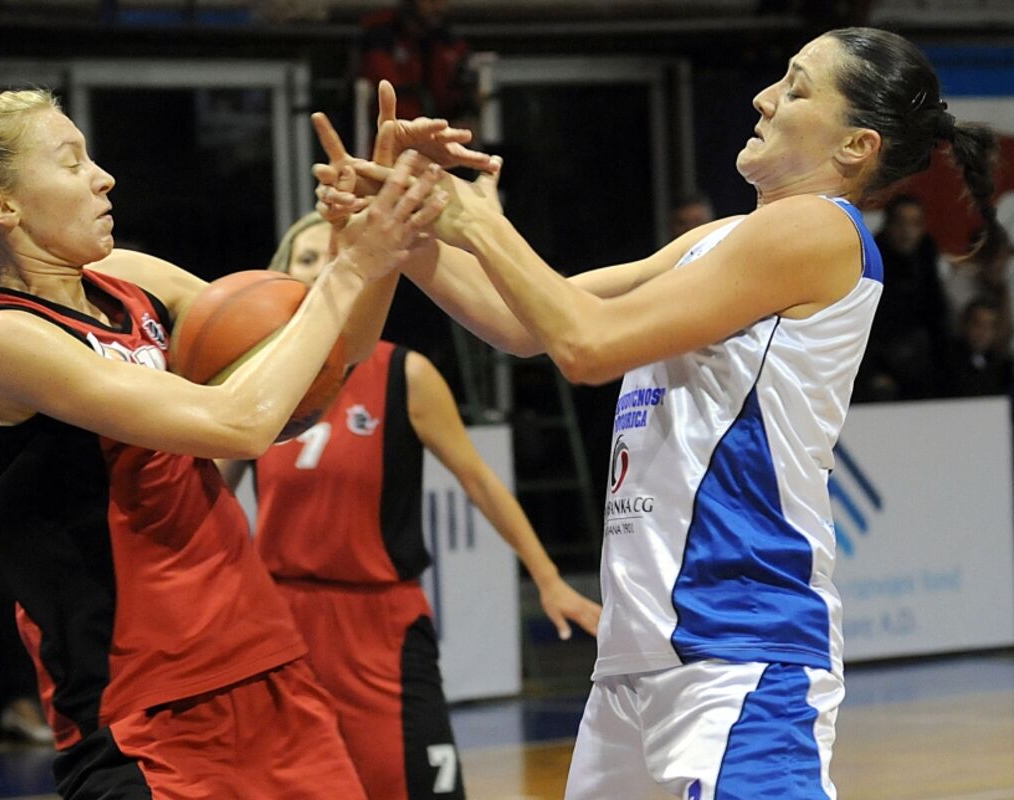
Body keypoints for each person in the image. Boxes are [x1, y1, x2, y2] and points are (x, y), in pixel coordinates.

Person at [324, 26, 1002, 799]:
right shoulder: (720, 238)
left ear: (856, 145)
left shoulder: (818, 228)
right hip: (640, 650)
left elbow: (587, 347)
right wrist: (398, 222)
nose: (763, 97)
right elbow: (525, 321)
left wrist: (478, 220)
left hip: (740, 646)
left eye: (795, 87)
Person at [0, 88, 448, 799]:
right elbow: (240, 423)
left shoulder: (132, 280)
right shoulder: (1, 340)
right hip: (141, 710)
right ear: (3, 205)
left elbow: (325, 365)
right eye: (71, 161)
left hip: (262, 659)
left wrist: (377, 242)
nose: (103, 177)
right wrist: (349, 270)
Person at [226, 212, 601, 800]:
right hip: (283, 620)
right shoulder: (257, 380)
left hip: (379, 621)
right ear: (280, 275)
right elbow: (209, 492)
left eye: (334, 253)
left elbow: (480, 482)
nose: (321, 268)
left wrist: (549, 579)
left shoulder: (405, 374)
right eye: (306, 258)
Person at [858, 194, 952, 400]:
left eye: (914, 223)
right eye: (900, 223)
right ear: (888, 225)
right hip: (878, 371)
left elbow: (937, 321)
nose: (907, 231)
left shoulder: (928, 263)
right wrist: (871, 372)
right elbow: (864, 325)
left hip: (923, 369)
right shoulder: (870, 267)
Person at [360, 0, 476, 127]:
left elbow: (457, 92)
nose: (437, 7)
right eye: (430, 1)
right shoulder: (382, 36)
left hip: (439, 125)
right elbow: (388, 91)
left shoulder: (448, 40)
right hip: (394, 127)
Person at [945, 296, 1012, 397]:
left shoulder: (1002, 366)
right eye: (977, 324)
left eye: (989, 326)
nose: (982, 332)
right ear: (964, 325)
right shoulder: (946, 362)